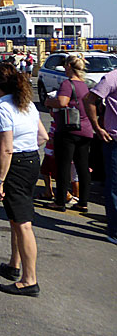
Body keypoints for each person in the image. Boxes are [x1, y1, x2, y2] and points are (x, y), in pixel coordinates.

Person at [0, 62, 48, 296]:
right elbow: (43, 136)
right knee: (15, 219)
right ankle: (14, 264)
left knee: (23, 224)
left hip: (16, 164)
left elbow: (6, 149)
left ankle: (29, 280)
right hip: (31, 159)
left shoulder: (2, 108)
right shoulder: (26, 104)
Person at [44, 55, 92, 213]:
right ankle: (83, 202)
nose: (64, 68)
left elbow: (62, 102)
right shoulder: (84, 85)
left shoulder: (68, 83)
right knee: (82, 166)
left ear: (70, 66)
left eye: (65, 65)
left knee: (63, 166)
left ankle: (60, 201)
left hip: (68, 129)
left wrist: (48, 102)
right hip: (85, 129)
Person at [83, 68, 117, 244]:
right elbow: (89, 99)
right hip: (114, 141)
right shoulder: (112, 78)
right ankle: (115, 231)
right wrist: (97, 127)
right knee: (114, 187)